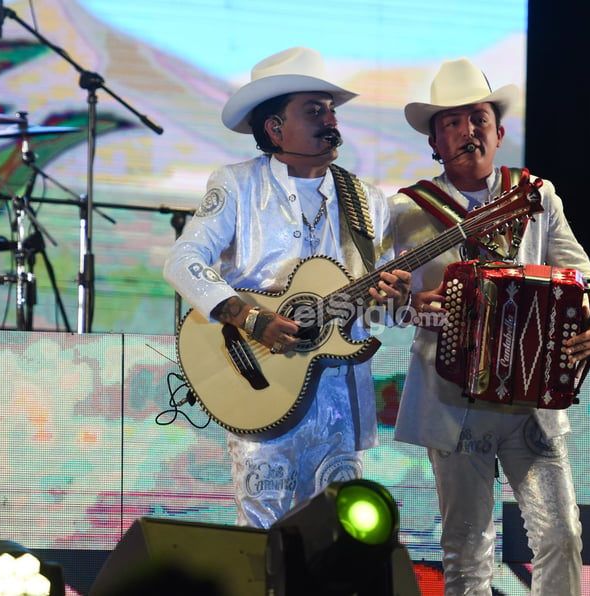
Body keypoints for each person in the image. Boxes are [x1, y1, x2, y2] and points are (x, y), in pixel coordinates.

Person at [163, 47, 411, 529]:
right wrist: (250, 318)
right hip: (259, 386)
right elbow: (183, 259)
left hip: (341, 401)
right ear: (275, 128)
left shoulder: (367, 199)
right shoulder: (236, 185)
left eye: (331, 109)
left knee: (337, 543)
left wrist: (393, 297)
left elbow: (382, 311)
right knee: (261, 538)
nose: (330, 120)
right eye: (314, 110)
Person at [390, 58, 590, 595]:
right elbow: (385, 297)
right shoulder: (406, 210)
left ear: (500, 132)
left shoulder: (537, 196)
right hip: (451, 395)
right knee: (466, 547)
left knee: (561, 532)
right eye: (453, 123)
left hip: (530, 398)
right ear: (435, 143)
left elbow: (582, 272)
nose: (469, 131)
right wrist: (415, 303)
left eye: (479, 119)